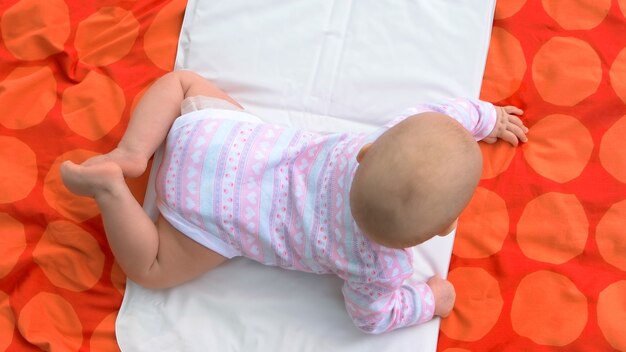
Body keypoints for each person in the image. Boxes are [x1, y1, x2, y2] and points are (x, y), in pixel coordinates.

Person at [61, 70, 527, 334]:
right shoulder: (379, 267)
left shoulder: (391, 136)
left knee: (182, 84)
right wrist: (430, 299)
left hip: (216, 139)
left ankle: (133, 153)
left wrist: (486, 117)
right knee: (152, 269)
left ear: (367, 152)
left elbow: (447, 115)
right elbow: (373, 317)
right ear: (445, 228)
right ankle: (112, 193)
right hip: (210, 215)